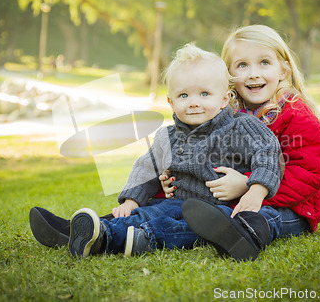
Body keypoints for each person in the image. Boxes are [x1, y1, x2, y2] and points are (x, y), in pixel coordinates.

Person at [31, 43, 283, 258]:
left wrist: (256, 191)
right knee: (145, 212)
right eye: (184, 95)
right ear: (171, 102)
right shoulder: (168, 137)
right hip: (177, 202)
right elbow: (146, 167)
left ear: (225, 98)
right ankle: (86, 231)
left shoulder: (241, 127)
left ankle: (112, 238)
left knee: (173, 226)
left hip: (221, 212)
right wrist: (131, 200)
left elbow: (269, 153)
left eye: (205, 93)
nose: (194, 102)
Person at [176, 24, 320, 261]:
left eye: (264, 63)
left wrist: (250, 185)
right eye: (242, 65)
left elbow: (308, 172)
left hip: (295, 206)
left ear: (283, 70)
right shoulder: (228, 115)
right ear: (228, 75)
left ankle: (244, 237)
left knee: (266, 216)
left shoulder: (295, 116)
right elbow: (203, 159)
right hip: (242, 199)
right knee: (201, 209)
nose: (253, 73)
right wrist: (170, 182)